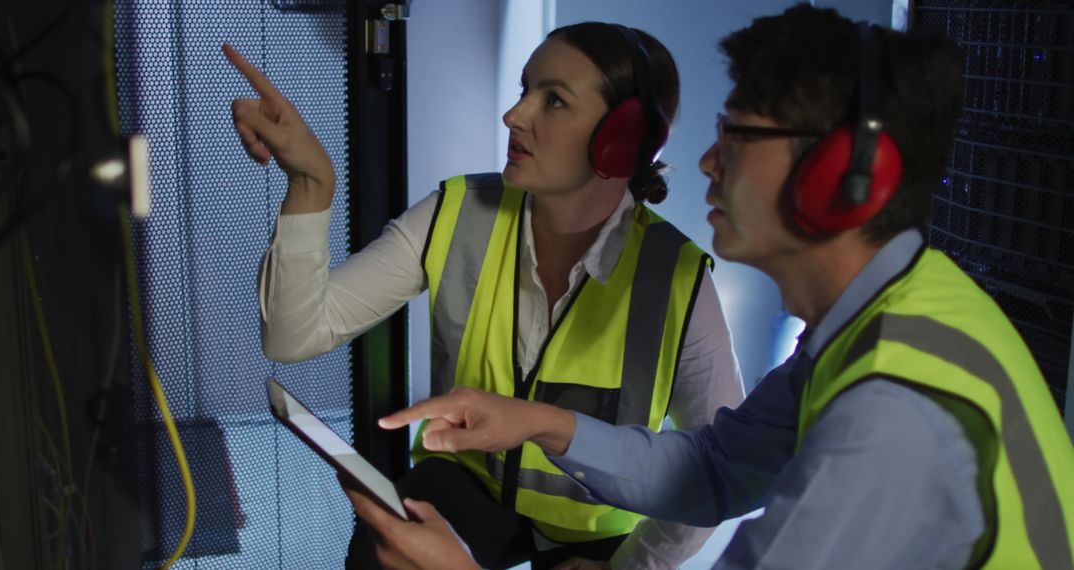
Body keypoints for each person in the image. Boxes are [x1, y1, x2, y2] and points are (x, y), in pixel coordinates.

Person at [343, 5, 1074, 569]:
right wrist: (536, 422)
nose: (703, 163)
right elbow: (716, 469)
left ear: (841, 178)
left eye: (737, 138)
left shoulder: (890, 413)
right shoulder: (884, 319)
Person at [223, 21, 745, 570]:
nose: (515, 115)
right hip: (468, 485)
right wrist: (310, 184)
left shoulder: (678, 278)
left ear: (622, 137)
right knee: (384, 547)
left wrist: (630, 569)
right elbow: (292, 334)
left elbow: (720, 473)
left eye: (555, 101)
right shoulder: (457, 213)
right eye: (525, 90)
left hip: (598, 521)